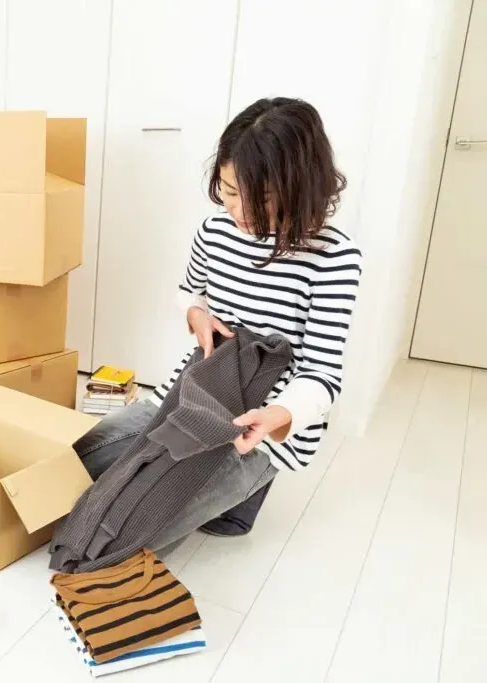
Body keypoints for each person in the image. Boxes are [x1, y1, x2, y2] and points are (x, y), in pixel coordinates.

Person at [76, 97, 363, 539]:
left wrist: (275, 417)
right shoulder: (214, 233)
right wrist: (196, 314)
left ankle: (246, 489)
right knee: (80, 465)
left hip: (260, 419)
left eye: (262, 198)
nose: (239, 212)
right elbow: (189, 292)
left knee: (136, 524)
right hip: (194, 392)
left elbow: (322, 374)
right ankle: (228, 497)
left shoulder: (334, 258)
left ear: (303, 184)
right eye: (230, 192)